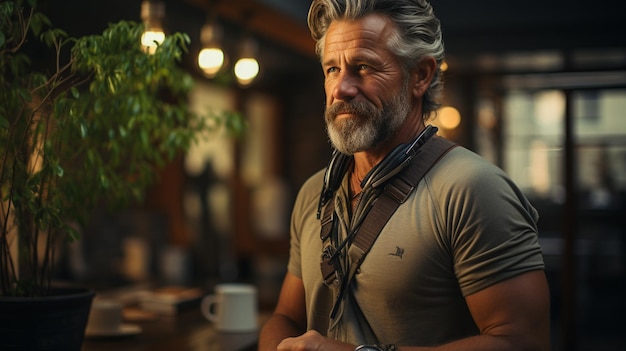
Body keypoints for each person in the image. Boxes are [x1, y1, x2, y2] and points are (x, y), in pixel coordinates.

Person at [258, 0, 551, 350]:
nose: (341, 89)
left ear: (421, 76)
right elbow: (287, 318)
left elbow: (524, 342)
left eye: (363, 67)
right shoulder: (314, 192)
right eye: (332, 69)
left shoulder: (472, 189)